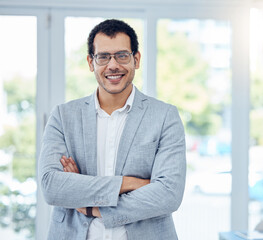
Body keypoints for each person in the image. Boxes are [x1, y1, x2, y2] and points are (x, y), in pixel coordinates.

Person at [39, 19, 186, 240]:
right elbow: (51, 186)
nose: (113, 65)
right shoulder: (63, 116)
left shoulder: (165, 116)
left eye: (122, 55)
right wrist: (128, 183)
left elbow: (168, 194)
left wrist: (90, 206)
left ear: (136, 60)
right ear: (91, 62)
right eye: (103, 56)